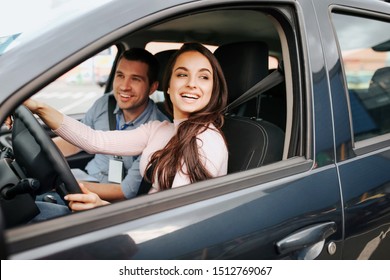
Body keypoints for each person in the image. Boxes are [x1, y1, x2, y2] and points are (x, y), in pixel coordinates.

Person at [22, 42, 229, 213]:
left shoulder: (206, 139)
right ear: (168, 85)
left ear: (213, 88)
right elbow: (94, 140)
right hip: (142, 221)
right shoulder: (159, 129)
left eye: (203, 77)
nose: (192, 83)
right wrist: (38, 107)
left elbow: (178, 215)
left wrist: (103, 213)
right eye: (182, 74)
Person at [46, 48, 171, 203]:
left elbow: (126, 191)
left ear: (152, 88)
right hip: (85, 176)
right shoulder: (105, 103)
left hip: (106, 201)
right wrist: (41, 151)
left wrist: (67, 185)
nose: (124, 86)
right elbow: (75, 141)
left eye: (135, 79)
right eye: (120, 76)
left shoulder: (158, 130)